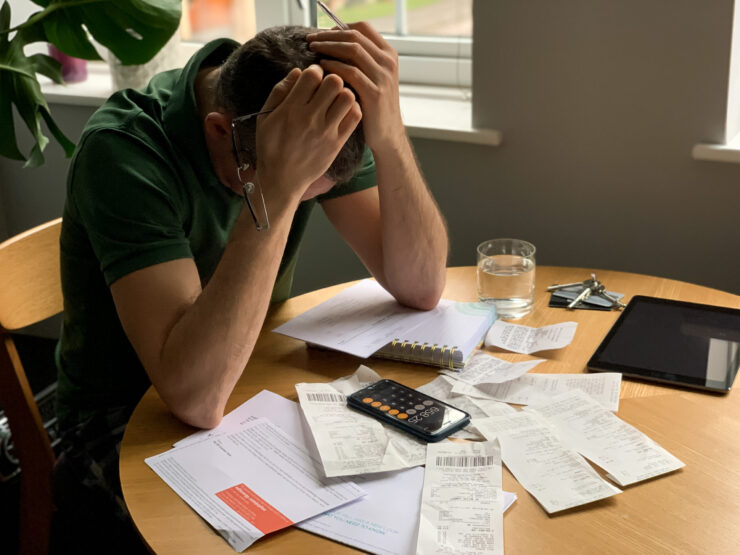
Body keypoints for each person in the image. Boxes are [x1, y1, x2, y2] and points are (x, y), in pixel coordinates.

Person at [52, 22, 448, 551]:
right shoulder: (124, 152)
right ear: (220, 131)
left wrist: (391, 130)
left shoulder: (313, 112)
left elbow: (420, 285)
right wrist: (279, 189)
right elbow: (195, 398)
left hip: (243, 383)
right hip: (118, 421)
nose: (305, 199)